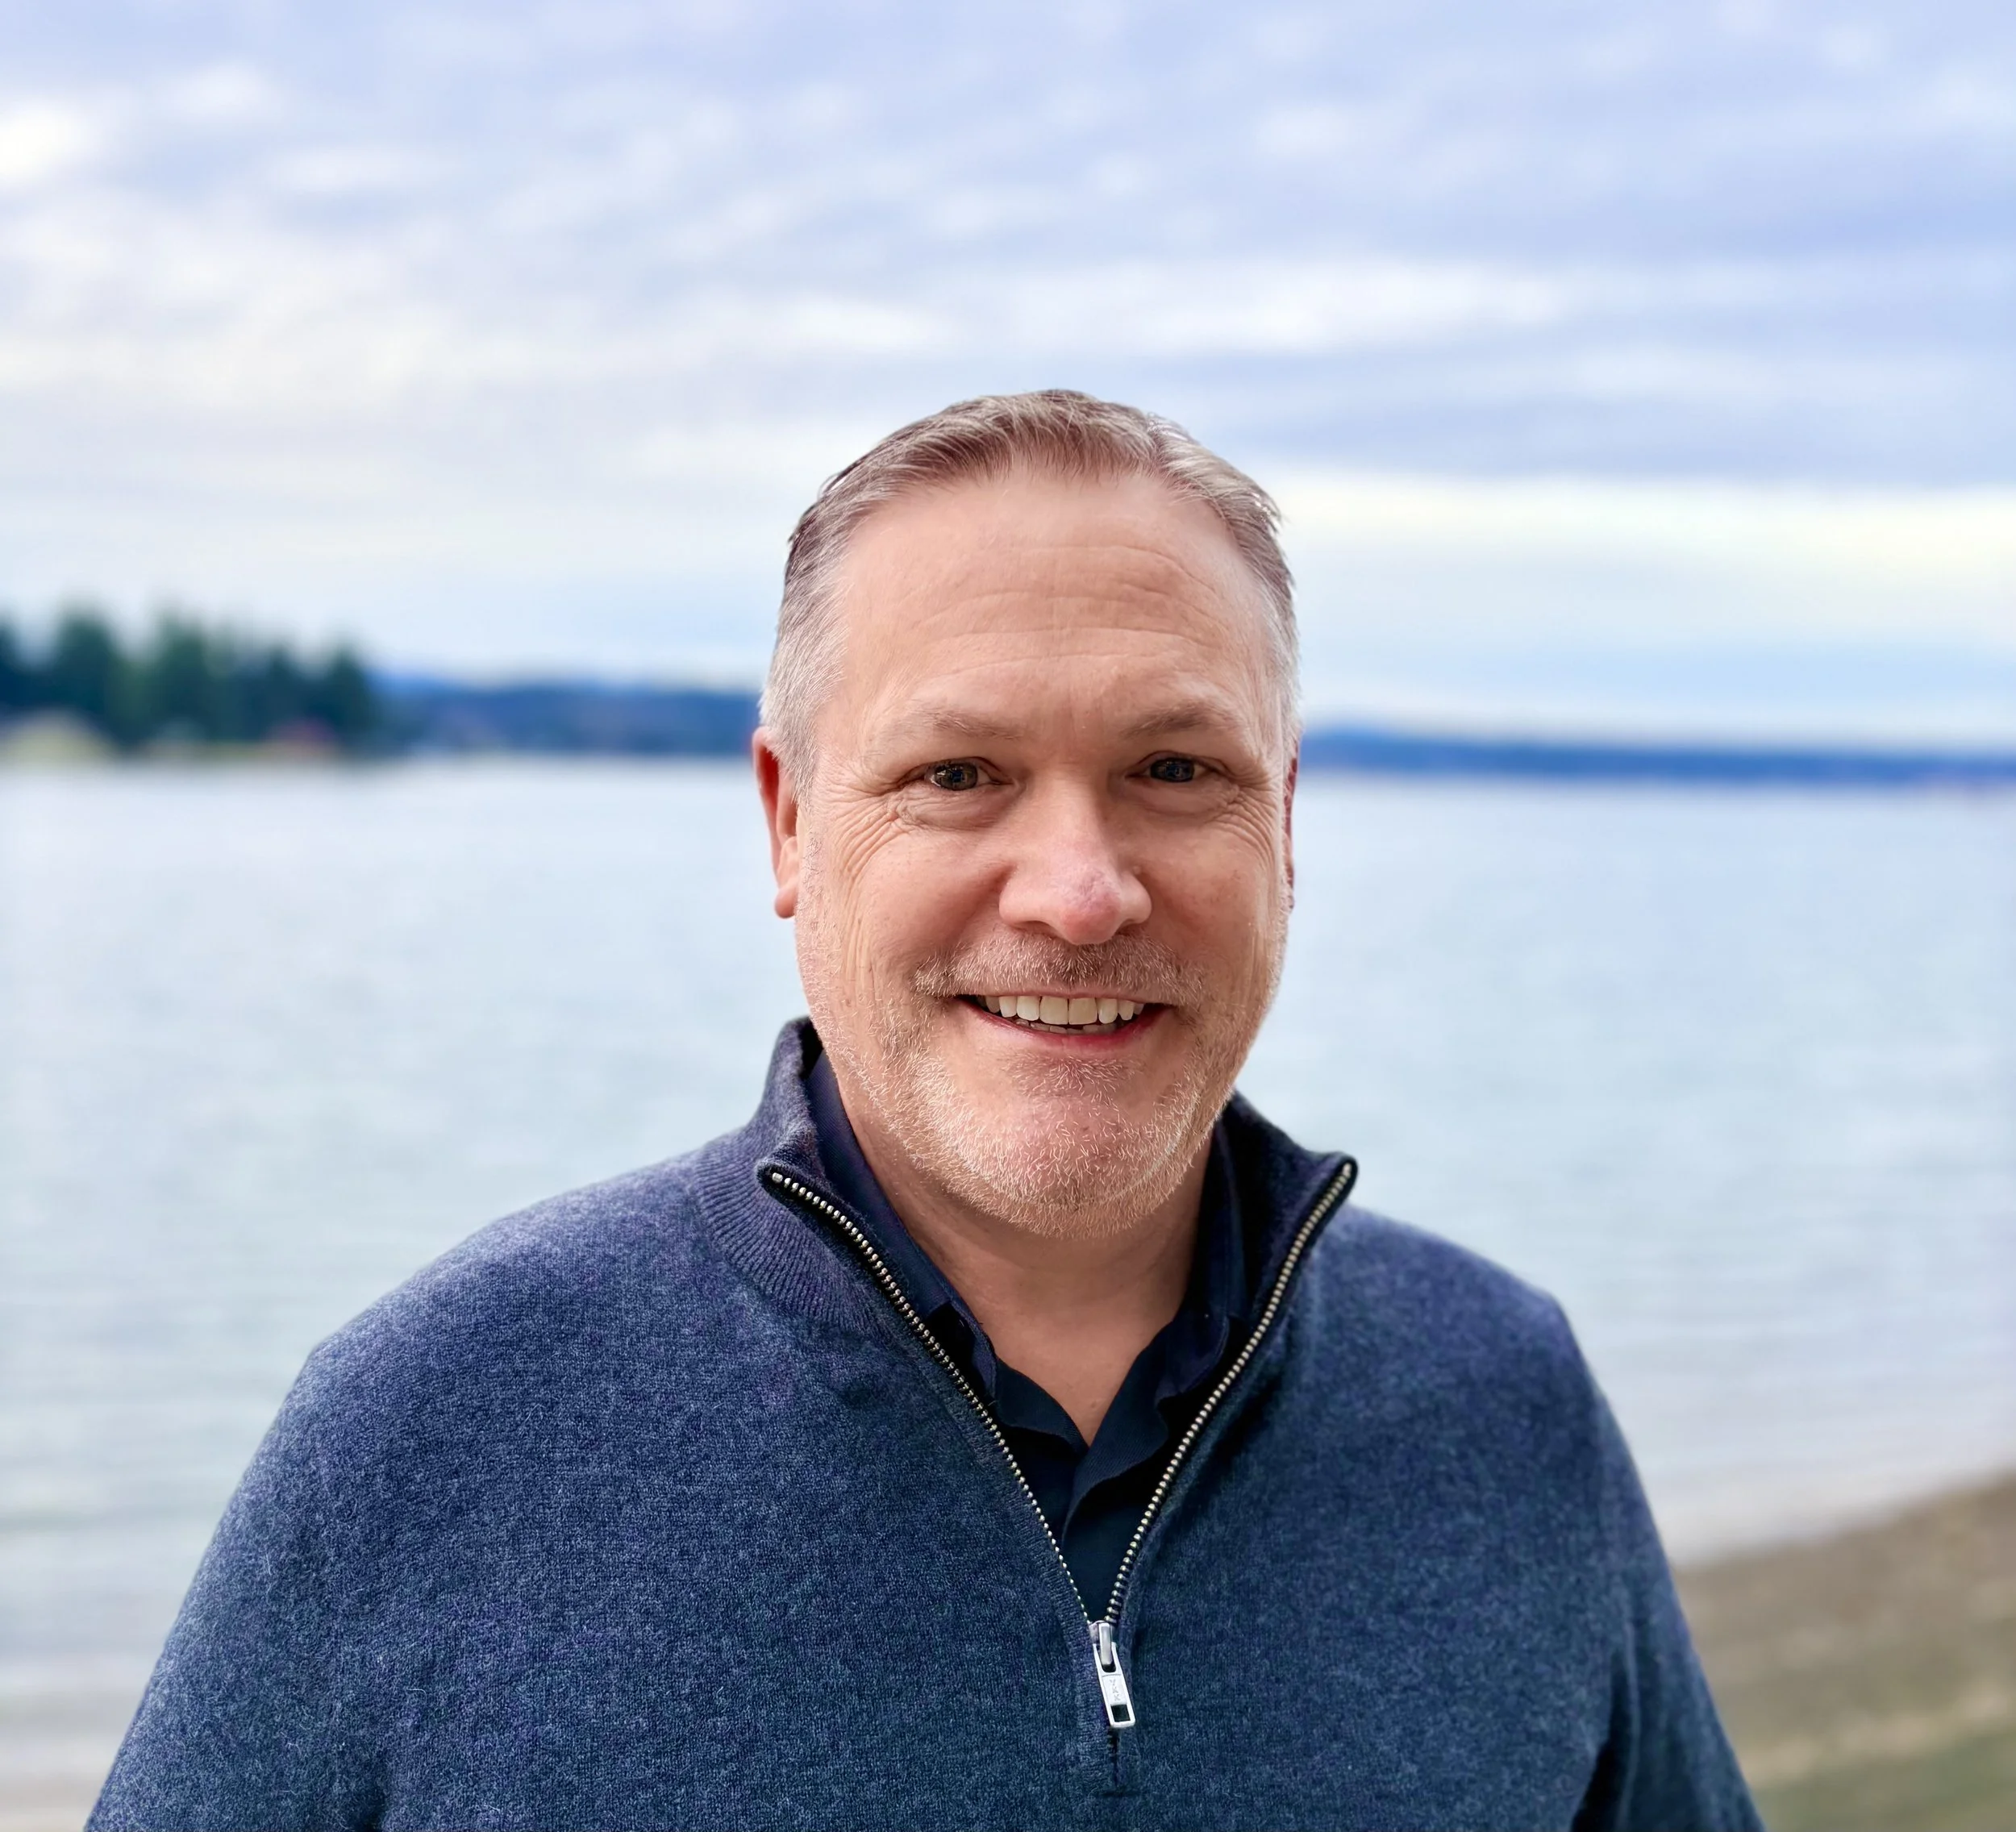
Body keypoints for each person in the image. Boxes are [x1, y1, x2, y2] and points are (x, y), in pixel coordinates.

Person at [92, 390, 1760, 1831]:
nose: (1081, 890)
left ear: (1287, 825)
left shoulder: (1496, 1395)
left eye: (1175, 771)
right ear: (789, 824)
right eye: (957, 774)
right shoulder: (433, 1427)